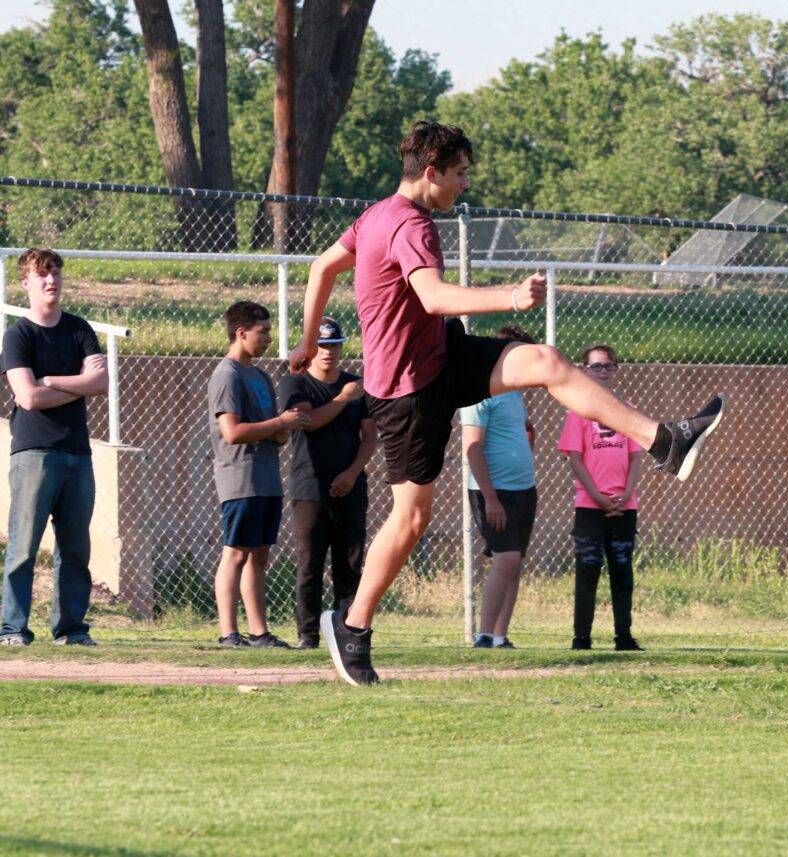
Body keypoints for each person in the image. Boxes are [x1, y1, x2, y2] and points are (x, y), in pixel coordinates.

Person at [289, 120, 724, 686]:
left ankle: (665, 440)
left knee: (545, 362)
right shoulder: (409, 224)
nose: (464, 184)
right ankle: (351, 625)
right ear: (431, 172)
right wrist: (508, 296)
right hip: (406, 389)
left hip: (441, 358)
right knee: (412, 517)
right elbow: (434, 296)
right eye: (460, 173)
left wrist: (303, 338)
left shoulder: (374, 215)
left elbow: (322, 266)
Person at [1, 249, 108, 646]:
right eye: (42, 275)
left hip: (77, 453)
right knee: (24, 546)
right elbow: (27, 399)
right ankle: (13, 629)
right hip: (34, 453)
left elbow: (100, 384)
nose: (51, 281)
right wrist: (73, 382)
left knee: (75, 547)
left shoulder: (79, 329)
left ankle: (71, 630)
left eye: (56, 274)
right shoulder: (18, 335)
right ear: (25, 283)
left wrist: (50, 381)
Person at [207, 301, 308, 648]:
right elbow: (232, 432)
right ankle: (227, 633)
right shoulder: (227, 375)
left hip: (266, 477)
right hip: (240, 478)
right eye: (262, 331)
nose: (268, 337)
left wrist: (285, 428)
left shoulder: (260, 375)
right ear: (241, 332)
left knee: (259, 555)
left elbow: (269, 431)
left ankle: (258, 632)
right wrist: (280, 423)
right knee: (235, 552)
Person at [277, 316, 377, 649]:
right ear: (310, 349)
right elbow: (309, 422)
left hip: (350, 487)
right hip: (310, 487)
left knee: (349, 563)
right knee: (310, 563)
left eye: (334, 346)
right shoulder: (297, 383)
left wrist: (352, 473)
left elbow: (369, 437)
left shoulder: (354, 385)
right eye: (321, 346)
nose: (328, 353)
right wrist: (341, 399)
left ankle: (348, 631)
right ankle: (308, 635)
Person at [558, 344, 644, 651]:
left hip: (624, 505)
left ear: (616, 369)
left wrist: (626, 492)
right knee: (588, 569)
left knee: (622, 569)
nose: (603, 371)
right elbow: (575, 459)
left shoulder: (627, 410)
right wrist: (597, 495)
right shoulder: (578, 410)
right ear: (584, 370)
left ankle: (624, 636)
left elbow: (635, 457)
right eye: (596, 366)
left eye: (608, 366)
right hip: (590, 506)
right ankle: (582, 638)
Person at [460, 325, 539, 649]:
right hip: (493, 491)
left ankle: (500, 636)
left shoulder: (515, 393)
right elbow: (473, 447)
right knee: (506, 558)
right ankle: (483, 635)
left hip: (524, 489)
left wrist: (525, 441)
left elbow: (519, 432)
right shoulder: (478, 392)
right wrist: (490, 498)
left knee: (514, 561)